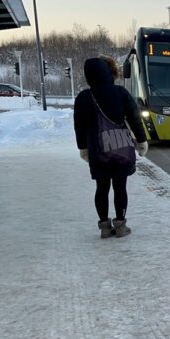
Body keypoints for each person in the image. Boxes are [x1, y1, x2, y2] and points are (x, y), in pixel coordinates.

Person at [73, 57, 148, 238]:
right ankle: (121, 225)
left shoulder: (83, 97)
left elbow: (79, 125)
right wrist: (141, 140)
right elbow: (134, 118)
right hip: (120, 147)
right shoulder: (120, 93)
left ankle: (105, 227)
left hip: (97, 151)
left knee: (102, 187)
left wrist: (83, 148)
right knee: (120, 187)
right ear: (110, 72)